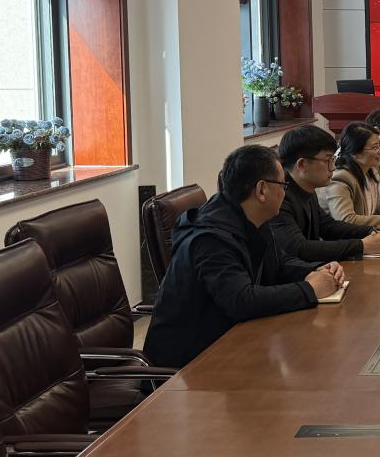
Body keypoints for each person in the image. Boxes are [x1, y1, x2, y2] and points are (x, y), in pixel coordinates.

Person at [143, 145, 345, 368]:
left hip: (230, 343)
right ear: (262, 190)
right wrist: (309, 290)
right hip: (189, 365)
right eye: (283, 185)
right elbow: (241, 301)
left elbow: (278, 263)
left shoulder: (250, 216)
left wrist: (318, 270)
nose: (285, 193)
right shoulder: (210, 238)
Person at [271, 124, 380, 262]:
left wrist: (370, 232)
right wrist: (361, 246)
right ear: (302, 164)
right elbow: (299, 249)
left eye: (333, 159)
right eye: (327, 160)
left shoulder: (307, 188)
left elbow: (328, 226)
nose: (333, 167)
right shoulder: (279, 197)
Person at [327, 121, 380, 229]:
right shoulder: (341, 178)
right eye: (375, 147)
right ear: (355, 153)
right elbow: (345, 220)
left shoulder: (368, 171)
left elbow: (373, 199)